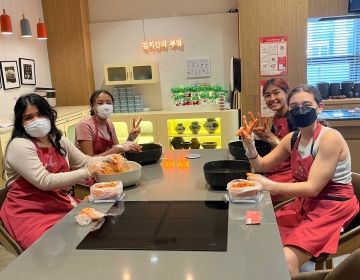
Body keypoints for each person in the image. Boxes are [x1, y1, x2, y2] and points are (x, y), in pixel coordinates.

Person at [238, 85, 359, 275]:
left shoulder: (330, 139)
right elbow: (261, 166)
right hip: (305, 204)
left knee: (286, 260)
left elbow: (312, 188)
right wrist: (249, 145)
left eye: (306, 105)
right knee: (254, 227)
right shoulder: (292, 139)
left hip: (332, 207)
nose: (300, 110)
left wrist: (270, 185)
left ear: (320, 107)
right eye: (294, 106)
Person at [0, 93, 117, 250]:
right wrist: (87, 171)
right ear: (21, 123)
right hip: (29, 211)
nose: (36, 121)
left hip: (58, 202)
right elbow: (45, 181)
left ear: (49, 114)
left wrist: (108, 159)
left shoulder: (57, 140)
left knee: (99, 229)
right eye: (28, 117)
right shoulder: (20, 145)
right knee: (52, 251)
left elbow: (85, 161)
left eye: (40, 114)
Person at [254, 78, 296, 184]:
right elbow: (275, 145)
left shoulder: (294, 117)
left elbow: (298, 153)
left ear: (287, 93)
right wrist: (262, 136)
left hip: (292, 171)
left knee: (260, 190)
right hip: (278, 166)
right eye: (267, 95)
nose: (272, 98)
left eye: (276, 93)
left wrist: (271, 138)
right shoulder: (277, 116)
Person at [75, 89, 142, 156]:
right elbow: (88, 160)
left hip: (105, 164)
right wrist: (116, 149)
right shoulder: (84, 125)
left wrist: (130, 139)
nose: (105, 107)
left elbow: (118, 150)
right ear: (92, 107)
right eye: (100, 103)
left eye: (108, 103)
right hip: (87, 166)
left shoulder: (109, 124)